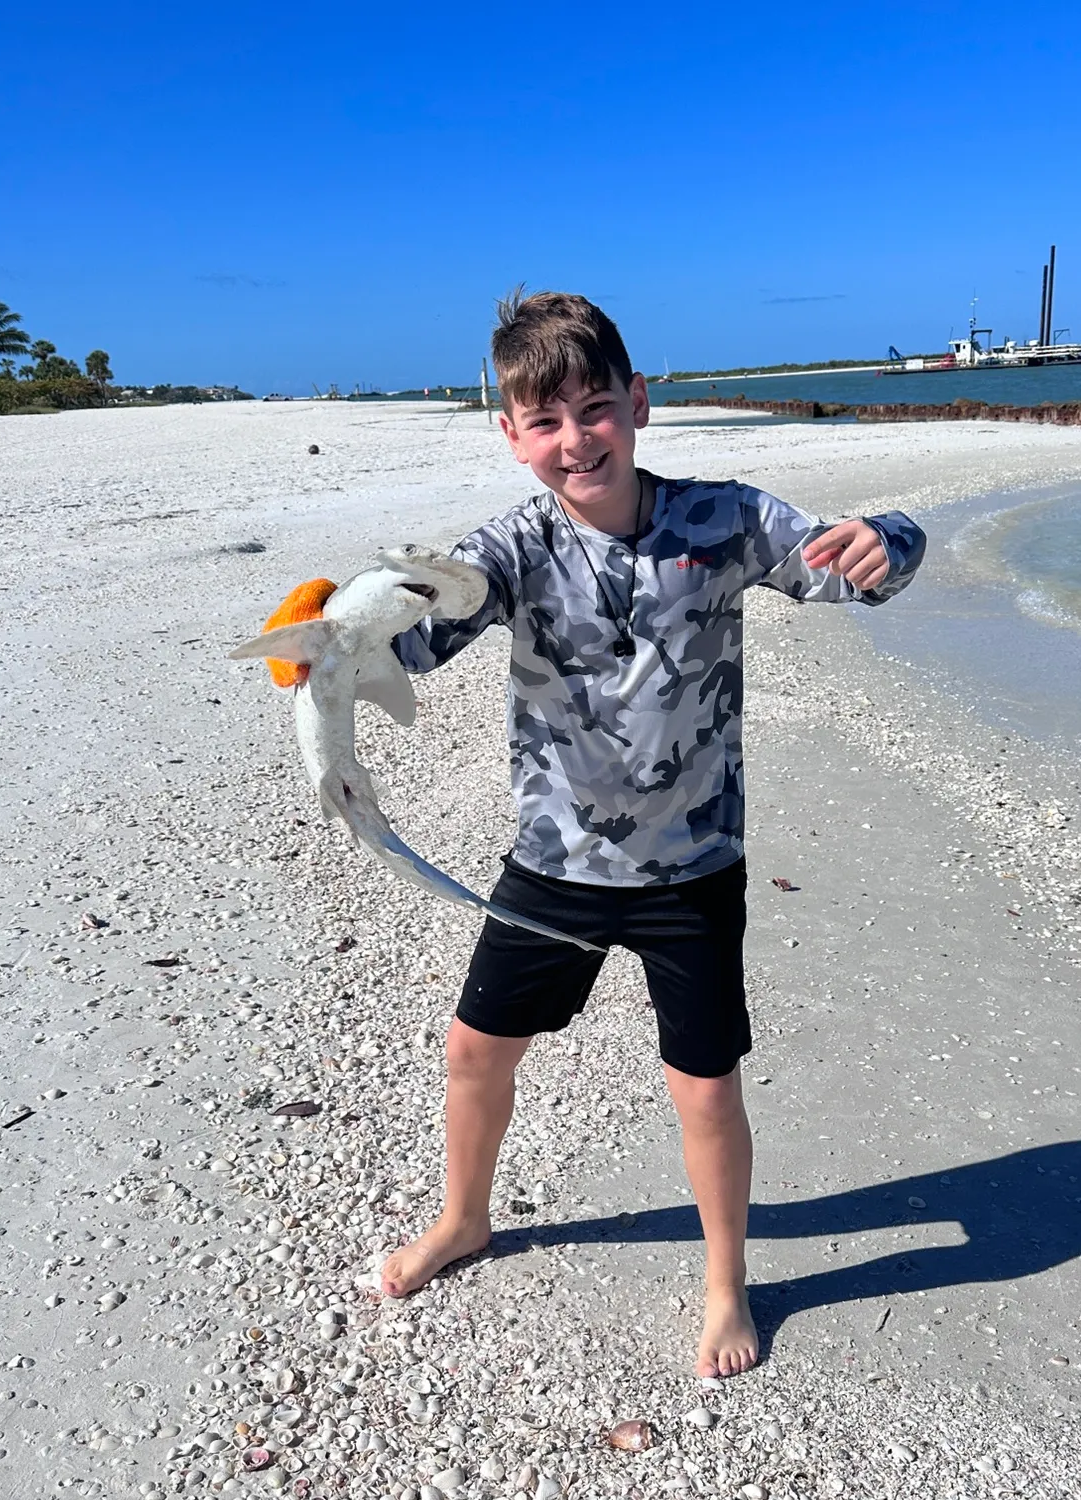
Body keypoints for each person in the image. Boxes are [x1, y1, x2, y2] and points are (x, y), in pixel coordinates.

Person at [382, 290, 926, 1378]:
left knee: (705, 1086)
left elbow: (855, 569)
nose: (575, 438)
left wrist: (892, 539)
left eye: (594, 408)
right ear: (511, 434)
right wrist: (336, 632)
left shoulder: (721, 522)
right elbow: (409, 636)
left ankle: (726, 1282)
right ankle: (466, 1216)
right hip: (555, 864)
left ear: (637, 404)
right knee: (474, 1050)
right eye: (545, 421)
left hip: (691, 873)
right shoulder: (513, 547)